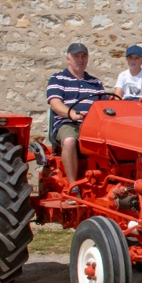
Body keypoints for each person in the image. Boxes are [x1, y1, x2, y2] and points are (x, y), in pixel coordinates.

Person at [46, 43, 106, 194]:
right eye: (76, 56)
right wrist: (71, 113)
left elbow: (103, 106)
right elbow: (55, 104)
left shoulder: (95, 83)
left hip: (92, 126)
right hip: (68, 123)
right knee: (69, 140)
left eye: (83, 56)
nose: (80, 60)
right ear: (68, 59)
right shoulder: (57, 79)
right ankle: (73, 186)